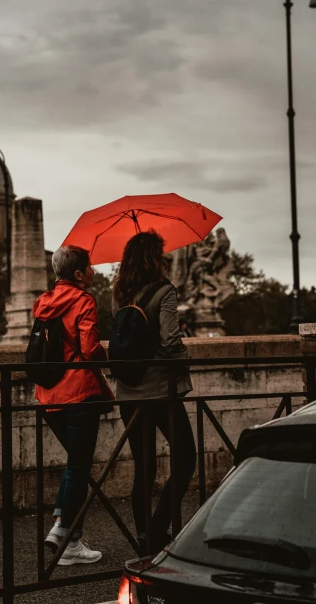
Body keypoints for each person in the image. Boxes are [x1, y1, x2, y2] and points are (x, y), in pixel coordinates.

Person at [112, 231, 197, 556]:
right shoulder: (165, 292)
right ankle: (159, 527)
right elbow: (171, 342)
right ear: (155, 258)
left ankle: (145, 537)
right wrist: (184, 362)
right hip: (161, 391)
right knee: (186, 458)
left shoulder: (119, 293)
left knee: (143, 467)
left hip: (128, 392)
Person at [34, 245, 114, 566]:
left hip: (48, 395)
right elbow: (90, 348)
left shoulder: (42, 302)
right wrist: (110, 361)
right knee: (79, 466)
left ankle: (60, 527)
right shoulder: (83, 300)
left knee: (74, 463)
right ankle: (69, 538)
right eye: (91, 267)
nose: (94, 272)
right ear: (79, 274)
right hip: (79, 393)